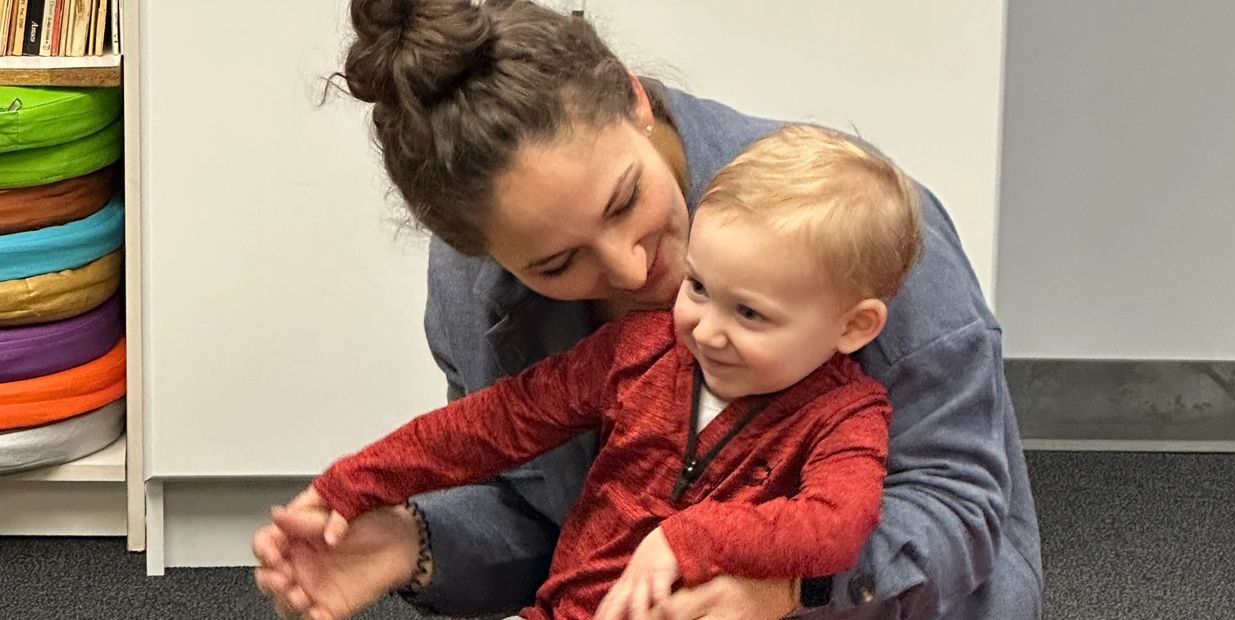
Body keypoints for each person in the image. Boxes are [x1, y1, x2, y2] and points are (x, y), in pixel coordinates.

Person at [253, 1, 1044, 618]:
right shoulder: (471, 290)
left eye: (626, 199)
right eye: (556, 264)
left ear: (633, 99)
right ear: (486, 253)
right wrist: (408, 541)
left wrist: (781, 590)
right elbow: (534, 507)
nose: (634, 269)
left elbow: (958, 506)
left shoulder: (849, 227)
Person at [292, 124, 921, 620]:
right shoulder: (639, 349)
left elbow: (836, 524)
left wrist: (688, 539)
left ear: (854, 326)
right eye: (699, 286)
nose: (704, 330)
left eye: (750, 313)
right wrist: (355, 482)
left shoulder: (849, 416)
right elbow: (494, 423)